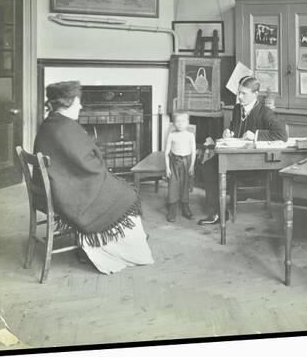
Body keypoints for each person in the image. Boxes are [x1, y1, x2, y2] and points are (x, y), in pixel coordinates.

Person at [33, 81, 154, 275]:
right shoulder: (64, 128)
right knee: (127, 195)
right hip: (67, 191)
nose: (81, 106)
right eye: (78, 102)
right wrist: (101, 167)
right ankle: (124, 249)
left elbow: (77, 160)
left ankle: (121, 243)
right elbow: (86, 164)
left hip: (59, 187)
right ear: (67, 103)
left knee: (119, 189)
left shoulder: (52, 123)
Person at [197, 76, 288, 225]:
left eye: (244, 93)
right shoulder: (238, 108)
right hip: (235, 157)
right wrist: (229, 132)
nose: (239, 97)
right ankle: (218, 213)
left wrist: (256, 135)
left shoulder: (265, 112)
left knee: (213, 169)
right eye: (239, 92)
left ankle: (218, 211)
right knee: (208, 167)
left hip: (253, 163)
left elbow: (282, 135)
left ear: (255, 93)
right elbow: (235, 128)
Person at [165, 111, 196, 222]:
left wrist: (192, 166)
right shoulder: (172, 135)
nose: (180, 124)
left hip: (186, 163)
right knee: (173, 185)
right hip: (174, 163)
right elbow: (167, 152)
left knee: (185, 185)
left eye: (183, 121)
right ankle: (172, 208)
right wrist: (167, 168)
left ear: (187, 122)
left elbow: (193, 151)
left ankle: (185, 206)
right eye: (177, 121)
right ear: (173, 123)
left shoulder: (190, 135)